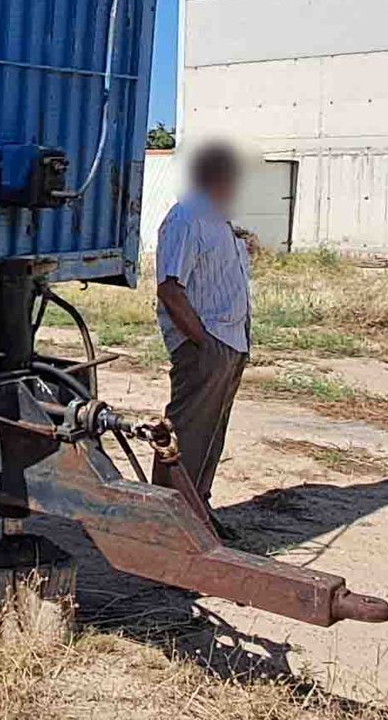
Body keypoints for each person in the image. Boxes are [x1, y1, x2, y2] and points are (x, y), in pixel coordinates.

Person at [152, 142, 251, 541]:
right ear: (216, 176)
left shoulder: (218, 219)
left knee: (211, 433)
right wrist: (204, 342)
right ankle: (165, 524)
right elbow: (170, 289)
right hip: (205, 345)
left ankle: (198, 511)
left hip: (230, 342)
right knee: (187, 436)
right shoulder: (187, 217)